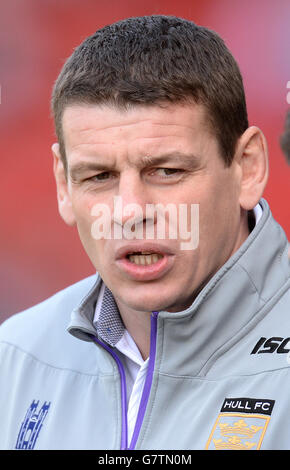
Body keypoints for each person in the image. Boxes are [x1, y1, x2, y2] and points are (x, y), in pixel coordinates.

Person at [0, 15, 289, 451]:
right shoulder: (16, 356)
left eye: (167, 171)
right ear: (63, 184)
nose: (130, 211)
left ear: (247, 167)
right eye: (99, 176)